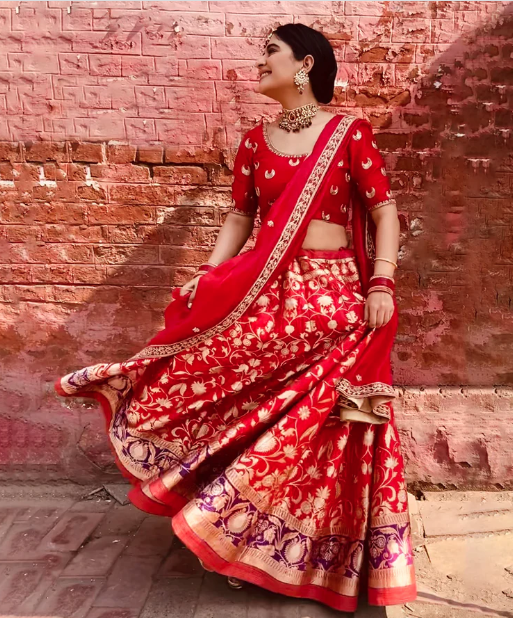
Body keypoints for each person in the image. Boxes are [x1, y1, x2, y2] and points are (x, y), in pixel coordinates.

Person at [56, 23, 417, 612]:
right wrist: (208, 273)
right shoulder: (254, 141)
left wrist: (382, 282)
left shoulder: (348, 132)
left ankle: (318, 552)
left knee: (325, 427)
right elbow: (239, 218)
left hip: (337, 296)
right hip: (266, 292)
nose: (259, 61)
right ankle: (239, 537)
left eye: (269, 52)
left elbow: (384, 211)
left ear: (304, 64)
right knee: (234, 388)